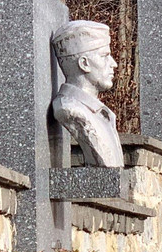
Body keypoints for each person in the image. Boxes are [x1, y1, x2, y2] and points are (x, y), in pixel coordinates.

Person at [51, 20, 124, 167]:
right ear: (84, 64)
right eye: (105, 56)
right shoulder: (69, 110)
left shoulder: (103, 114)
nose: (113, 63)